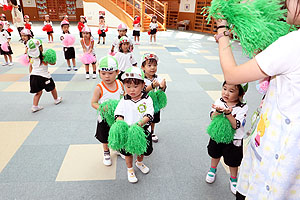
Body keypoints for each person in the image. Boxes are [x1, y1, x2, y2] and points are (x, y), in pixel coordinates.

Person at [214, 0, 300, 199]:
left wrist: (222, 29)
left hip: (277, 154)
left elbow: (232, 76)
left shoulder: (293, 44)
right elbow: (269, 62)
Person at [205, 81, 248, 195]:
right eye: (224, 89)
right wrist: (218, 111)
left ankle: (233, 179)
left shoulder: (242, 107)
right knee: (215, 153)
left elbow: (236, 125)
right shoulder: (219, 101)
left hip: (234, 140)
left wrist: (228, 114)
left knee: (233, 161)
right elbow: (212, 117)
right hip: (218, 135)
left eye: (231, 91)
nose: (226, 93)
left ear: (241, 94)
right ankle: (212, 169)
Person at [114, 67, 154, 183]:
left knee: (142, 149)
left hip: (142, 130)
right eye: (128, 86)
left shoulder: (147, 99)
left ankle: (139, 162)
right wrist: (120, 122)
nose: (132, 90)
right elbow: (118, 113)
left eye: (135, 86)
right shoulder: (124, 100)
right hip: (128, 130)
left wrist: (140, 123)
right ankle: (130, 169)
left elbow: (149, 114)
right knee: (128, 152)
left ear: (143, 85)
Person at [91, 56, 124, 166]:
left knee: (118, 133)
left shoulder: (120, 84)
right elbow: (93, 103)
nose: (107, 76)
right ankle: (106, 152)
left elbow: (123, 97)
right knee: (105, 137)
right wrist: (102, 107)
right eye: (103, 73)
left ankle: (118, 149)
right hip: (105, 117)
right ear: (99, 72)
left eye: (110, 73)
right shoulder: (99, 88)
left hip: (118, 117)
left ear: (117, 72)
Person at [27, 39, 62, 113]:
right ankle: (56, 99)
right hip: (44, 77)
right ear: (40, 48)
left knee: (38, 92)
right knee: (52, 88)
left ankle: (35, 106)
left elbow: (30, 67)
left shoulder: (31, 58)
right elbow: (53, 63)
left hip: (33, 77)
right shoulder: (43, 57)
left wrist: (31, 74)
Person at [141, 53, 166, 143]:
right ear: (143, 67)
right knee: (143, 118)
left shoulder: (158, 78)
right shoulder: (141, 79)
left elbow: (161, 92)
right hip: (143, 103)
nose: (152, 68)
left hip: (154, 103)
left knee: (153, 119)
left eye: (155, 65)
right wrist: (151, 86)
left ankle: (152, 132)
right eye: (149, 65)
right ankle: (142, 132)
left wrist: (162, 87)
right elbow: (141, 91)